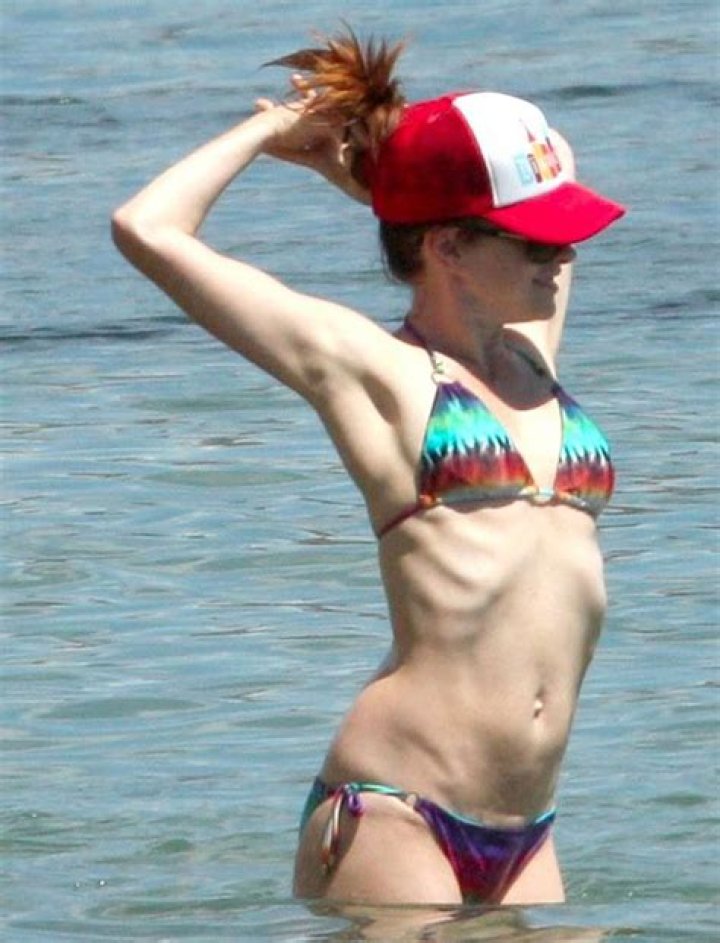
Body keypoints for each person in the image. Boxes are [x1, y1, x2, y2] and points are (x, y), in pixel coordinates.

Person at [111, 27, 625, 907]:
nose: (563, 256)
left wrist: (381, 189)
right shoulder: (376, 372)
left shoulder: (530, 354)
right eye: (536, 243)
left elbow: (557, 156)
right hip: (400, 808)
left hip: (525, 825)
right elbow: (147, 227)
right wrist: (270, 133)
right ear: (449, 250)